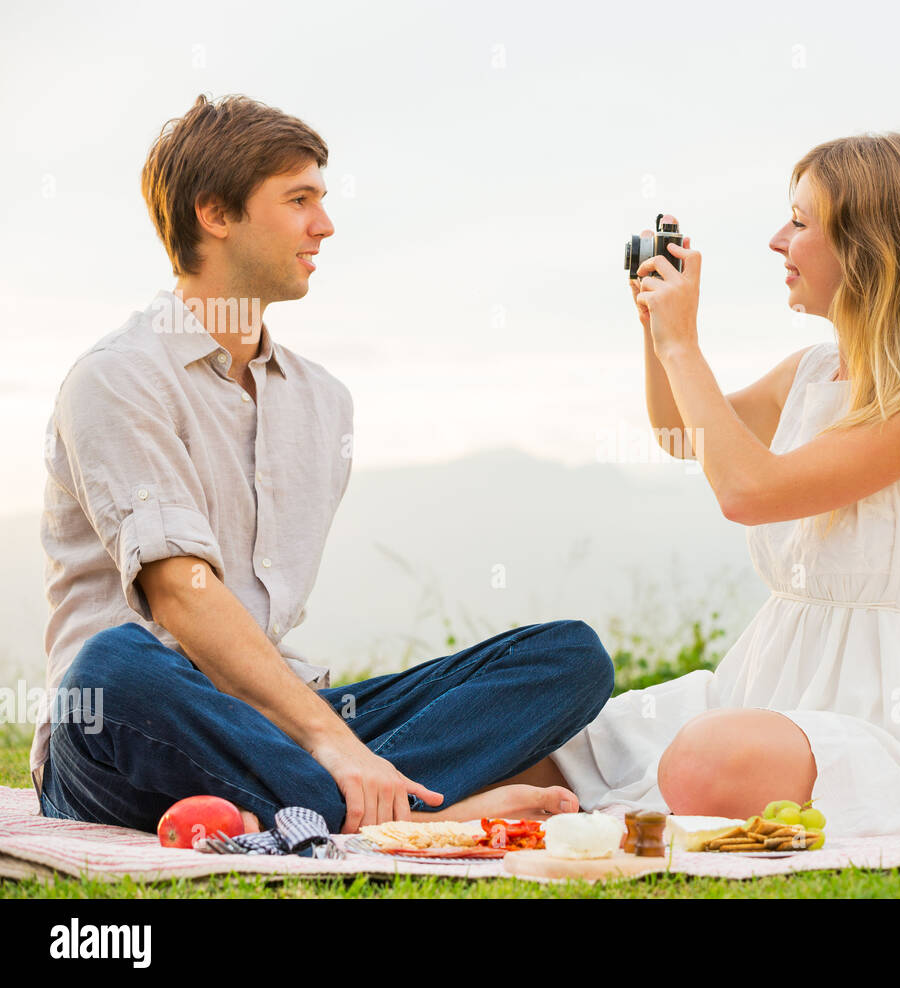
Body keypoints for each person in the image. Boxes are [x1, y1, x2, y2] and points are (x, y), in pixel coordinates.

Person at [33, 93, 614, 837]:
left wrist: (326, 733)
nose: (325, 225)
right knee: (113, 668)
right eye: (299, 199)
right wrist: (333, 742)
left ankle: (344, 807)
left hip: (280, 725)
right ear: (214, 213)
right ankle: (416, 814)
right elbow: (182, 595)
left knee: (568, 656)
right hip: (135, 728)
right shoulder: (117, 378)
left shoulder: (322, 402)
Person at [498, 133, 900, 835]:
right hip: (762, 681)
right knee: (544, 748)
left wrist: (686, 345)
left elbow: (747, 491)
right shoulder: (810, 373)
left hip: (877, 721)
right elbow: (682, 434)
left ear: (870, 247)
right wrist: (661, 332)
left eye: (801, 223)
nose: (779, 241)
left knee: (709, 758)